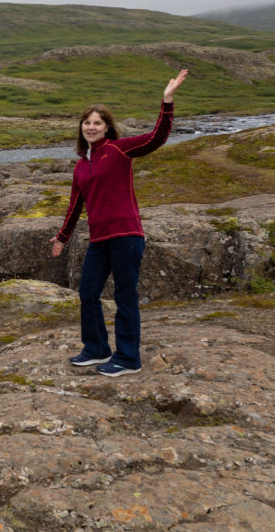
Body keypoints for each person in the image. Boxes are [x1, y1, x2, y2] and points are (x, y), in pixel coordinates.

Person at [50, 69, 188, 377]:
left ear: (107, 127)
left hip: (126, 236)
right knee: (87, 293)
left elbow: (156, 138)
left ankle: (128, 359)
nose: (91, 127)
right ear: (81, 128)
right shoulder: (81, 166)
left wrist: (167, 101)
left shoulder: (119, 149)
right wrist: (62, 237)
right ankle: (96, 348)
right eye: (87, 123)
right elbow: (76, 205)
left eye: (97, 123)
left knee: (125, 297)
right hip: (99, 240)